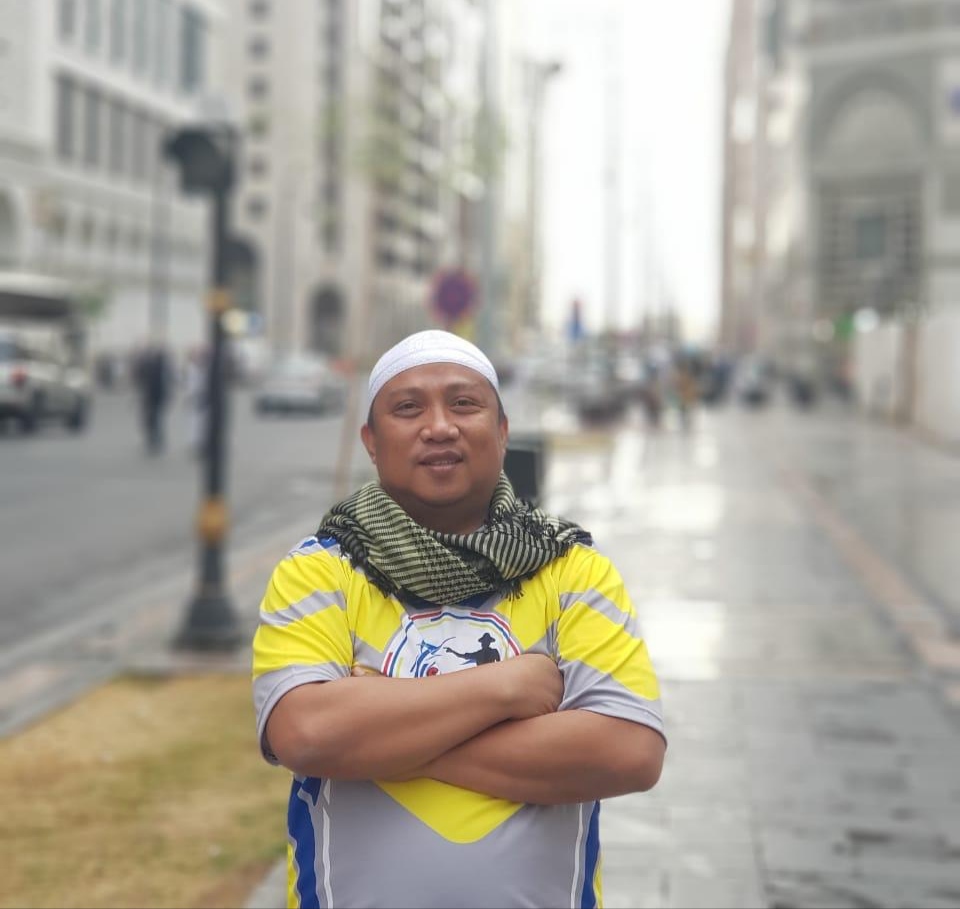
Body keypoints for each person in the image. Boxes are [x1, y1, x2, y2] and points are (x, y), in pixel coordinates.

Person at [251, 329, 667, 909]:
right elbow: (305, 733)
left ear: (502, 431)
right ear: (371, 441)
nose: (440, 426)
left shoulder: (573, 570)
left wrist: (377, 738)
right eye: (408, 408)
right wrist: (507, 688)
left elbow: (629, 752)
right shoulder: (319, 571)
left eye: (464, 404)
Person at [132, 338, 173, 454]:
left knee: (155, 420)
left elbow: (163, 381)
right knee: (152, 420)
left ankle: (155, 441)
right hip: (151, 396)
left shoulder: (159, 364)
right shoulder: (148, 363)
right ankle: (153, 440)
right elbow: (140, 377)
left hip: (156, 397)